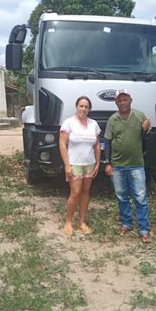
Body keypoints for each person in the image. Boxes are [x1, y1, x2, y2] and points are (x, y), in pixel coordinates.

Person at [104, 89, 152, 243]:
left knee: (140, 198)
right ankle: (127, 223)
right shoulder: (113, 119)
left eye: (125, 100)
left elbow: (146, 139)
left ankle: (144, 229)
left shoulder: (139, 116)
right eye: (119, 100)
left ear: (130, 100)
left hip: (136, 164)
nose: (122, 103)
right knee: (122, 197)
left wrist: (146, 130)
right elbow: (108, 142)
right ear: (116, 102)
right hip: (117, 165)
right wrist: (108, 163)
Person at [59, 96, 101, 236]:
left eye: (86, 107)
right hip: (74, 164)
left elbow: (96, 146)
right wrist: (66, 165)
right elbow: (62, 145)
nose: (83, 109)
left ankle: (82, 222)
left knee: (85, 192)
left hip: (89, 164)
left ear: (89, 109)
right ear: (77, 107)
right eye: (81, 106)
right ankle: (69, 222)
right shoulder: (69, 123)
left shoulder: (93, 124)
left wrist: (97, 163)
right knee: (75, 192)